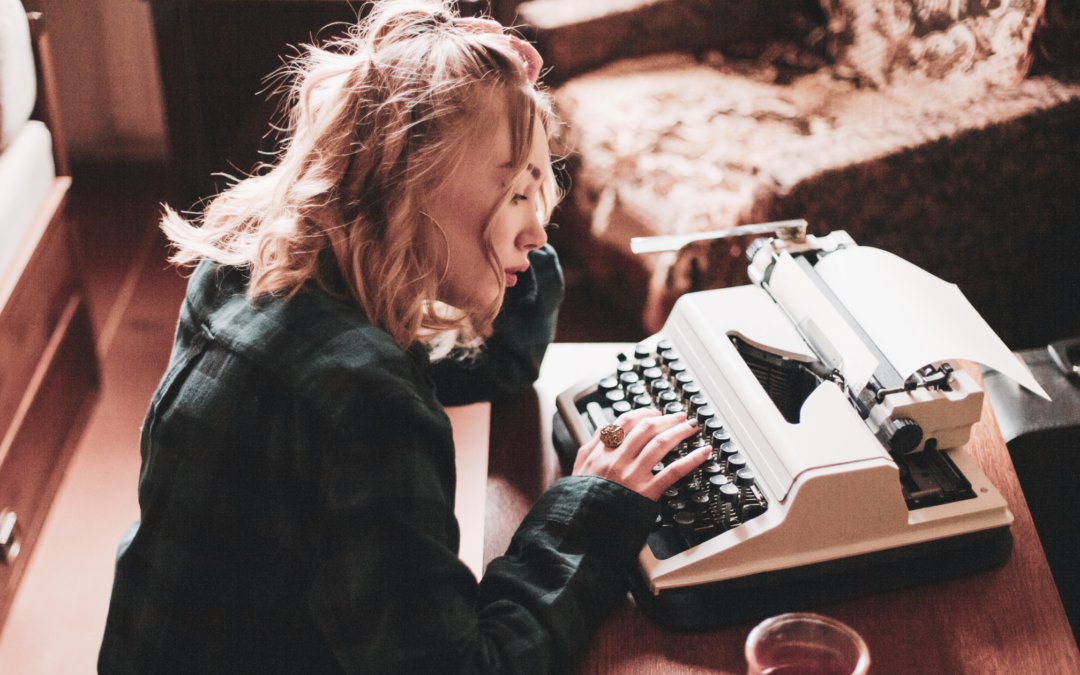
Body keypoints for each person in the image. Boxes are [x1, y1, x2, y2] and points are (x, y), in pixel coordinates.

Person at [98, 2, 711, 673]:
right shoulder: (362, 400)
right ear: (416, 179)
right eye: (514, 191)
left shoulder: (244, 272)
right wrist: (586, 515)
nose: (539, 233)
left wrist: (460, 91)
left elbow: (495, 366)